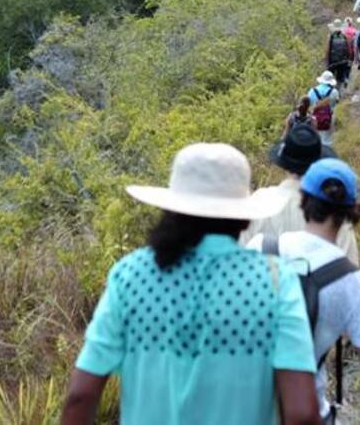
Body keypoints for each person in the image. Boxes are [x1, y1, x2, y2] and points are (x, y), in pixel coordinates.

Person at [62, 143, 323, 425]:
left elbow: (80, 397)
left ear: (172, 207)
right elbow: (302, 413)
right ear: (245, 218)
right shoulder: (274, 281)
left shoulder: (129, 276)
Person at [248, 159, 360, 424]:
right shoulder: (356, 284)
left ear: (303, 199)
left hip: (244, 406)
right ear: (351, 213)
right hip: (306, 412)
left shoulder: (259, 247)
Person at [242, 124, 358, 266]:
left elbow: (240, 258)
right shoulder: (333, 209)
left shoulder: (257, 203)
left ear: (284, 162)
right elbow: (349, 266)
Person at [307, 71, 340, 146]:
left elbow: (308, 104)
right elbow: (336, 102)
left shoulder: (312, 91)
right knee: (328, 140)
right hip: (329, 118)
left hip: (315, 119)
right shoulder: (334, 92)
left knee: (315, 139)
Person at [325, 22, 355, 92]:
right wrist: (349, 59)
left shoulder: (330, 37)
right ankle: (338, 93)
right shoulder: (345, 36)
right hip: (343, 61)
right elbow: (349, 49)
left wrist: (326, 61)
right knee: (339, 79)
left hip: (332, 61)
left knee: (331, 78)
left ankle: (331, 93)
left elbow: (327, 50)